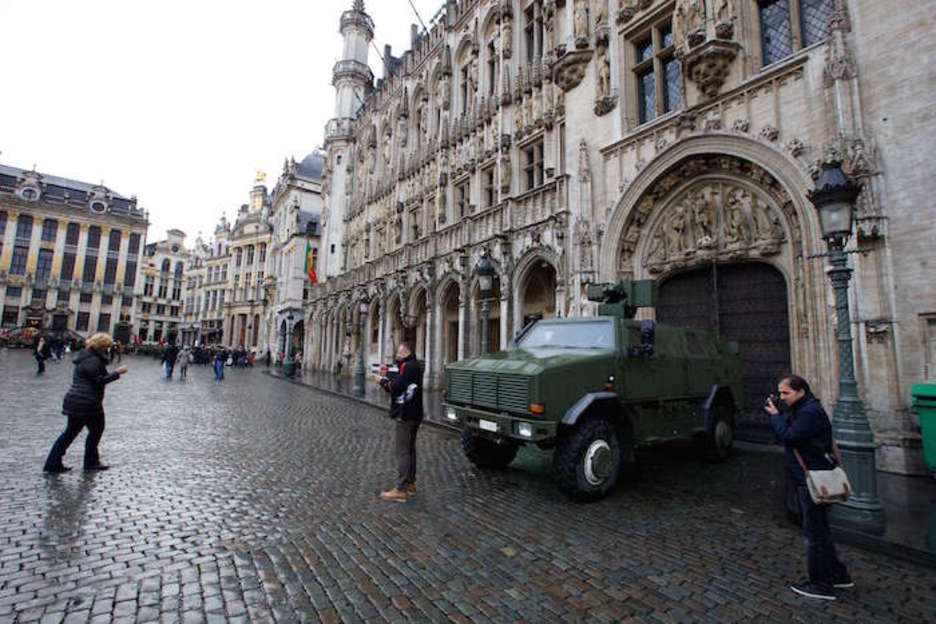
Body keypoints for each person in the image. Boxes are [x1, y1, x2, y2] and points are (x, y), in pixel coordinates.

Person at [766, 374, 853, 601]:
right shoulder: (805, 410)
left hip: (812, 479)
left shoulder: (810, 413)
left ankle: (820, 584)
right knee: (821, 531)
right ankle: (838, 574)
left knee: (814, 535)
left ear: (801, 391)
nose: (782, 397)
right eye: (781, 393)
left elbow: (789, 436)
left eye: (786, 393)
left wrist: (775, 416)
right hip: (812, 475)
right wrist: (781, 412)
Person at [43, 333, 128, 473]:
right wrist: (117, 373)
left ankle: (53, 463)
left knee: (70, 433)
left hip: (76, 400)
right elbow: (99, 380)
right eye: (106, 347)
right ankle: (90, 462)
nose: (107, 350)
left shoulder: (86, 356)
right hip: (88, 403)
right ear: (101, 347)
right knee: (95, 431)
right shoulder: (93, 360)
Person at [376, 342, 424, 502]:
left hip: (405, 413)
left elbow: (396, 387)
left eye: (398, 353)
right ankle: (410, 484)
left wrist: (381, 381)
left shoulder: (407, 366)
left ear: (405, 352)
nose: (397, 356)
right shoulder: (416, 365)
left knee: (403, 451)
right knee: (410, 449)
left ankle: (401, 489)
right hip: (415, 413)